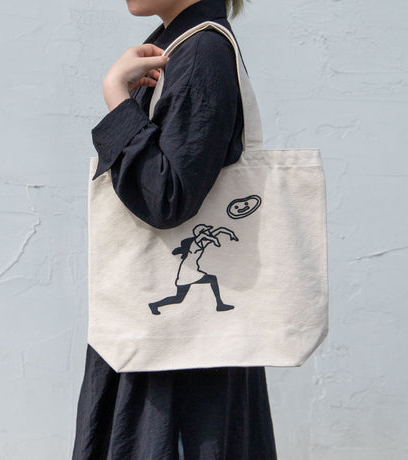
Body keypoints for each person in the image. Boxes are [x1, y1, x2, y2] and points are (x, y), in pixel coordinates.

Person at [72, 1, 278, 459]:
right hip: (172, 339)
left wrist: (116, 97)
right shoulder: (177, 47)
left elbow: (165, 198)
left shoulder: (202, 51)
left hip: (177, 358)